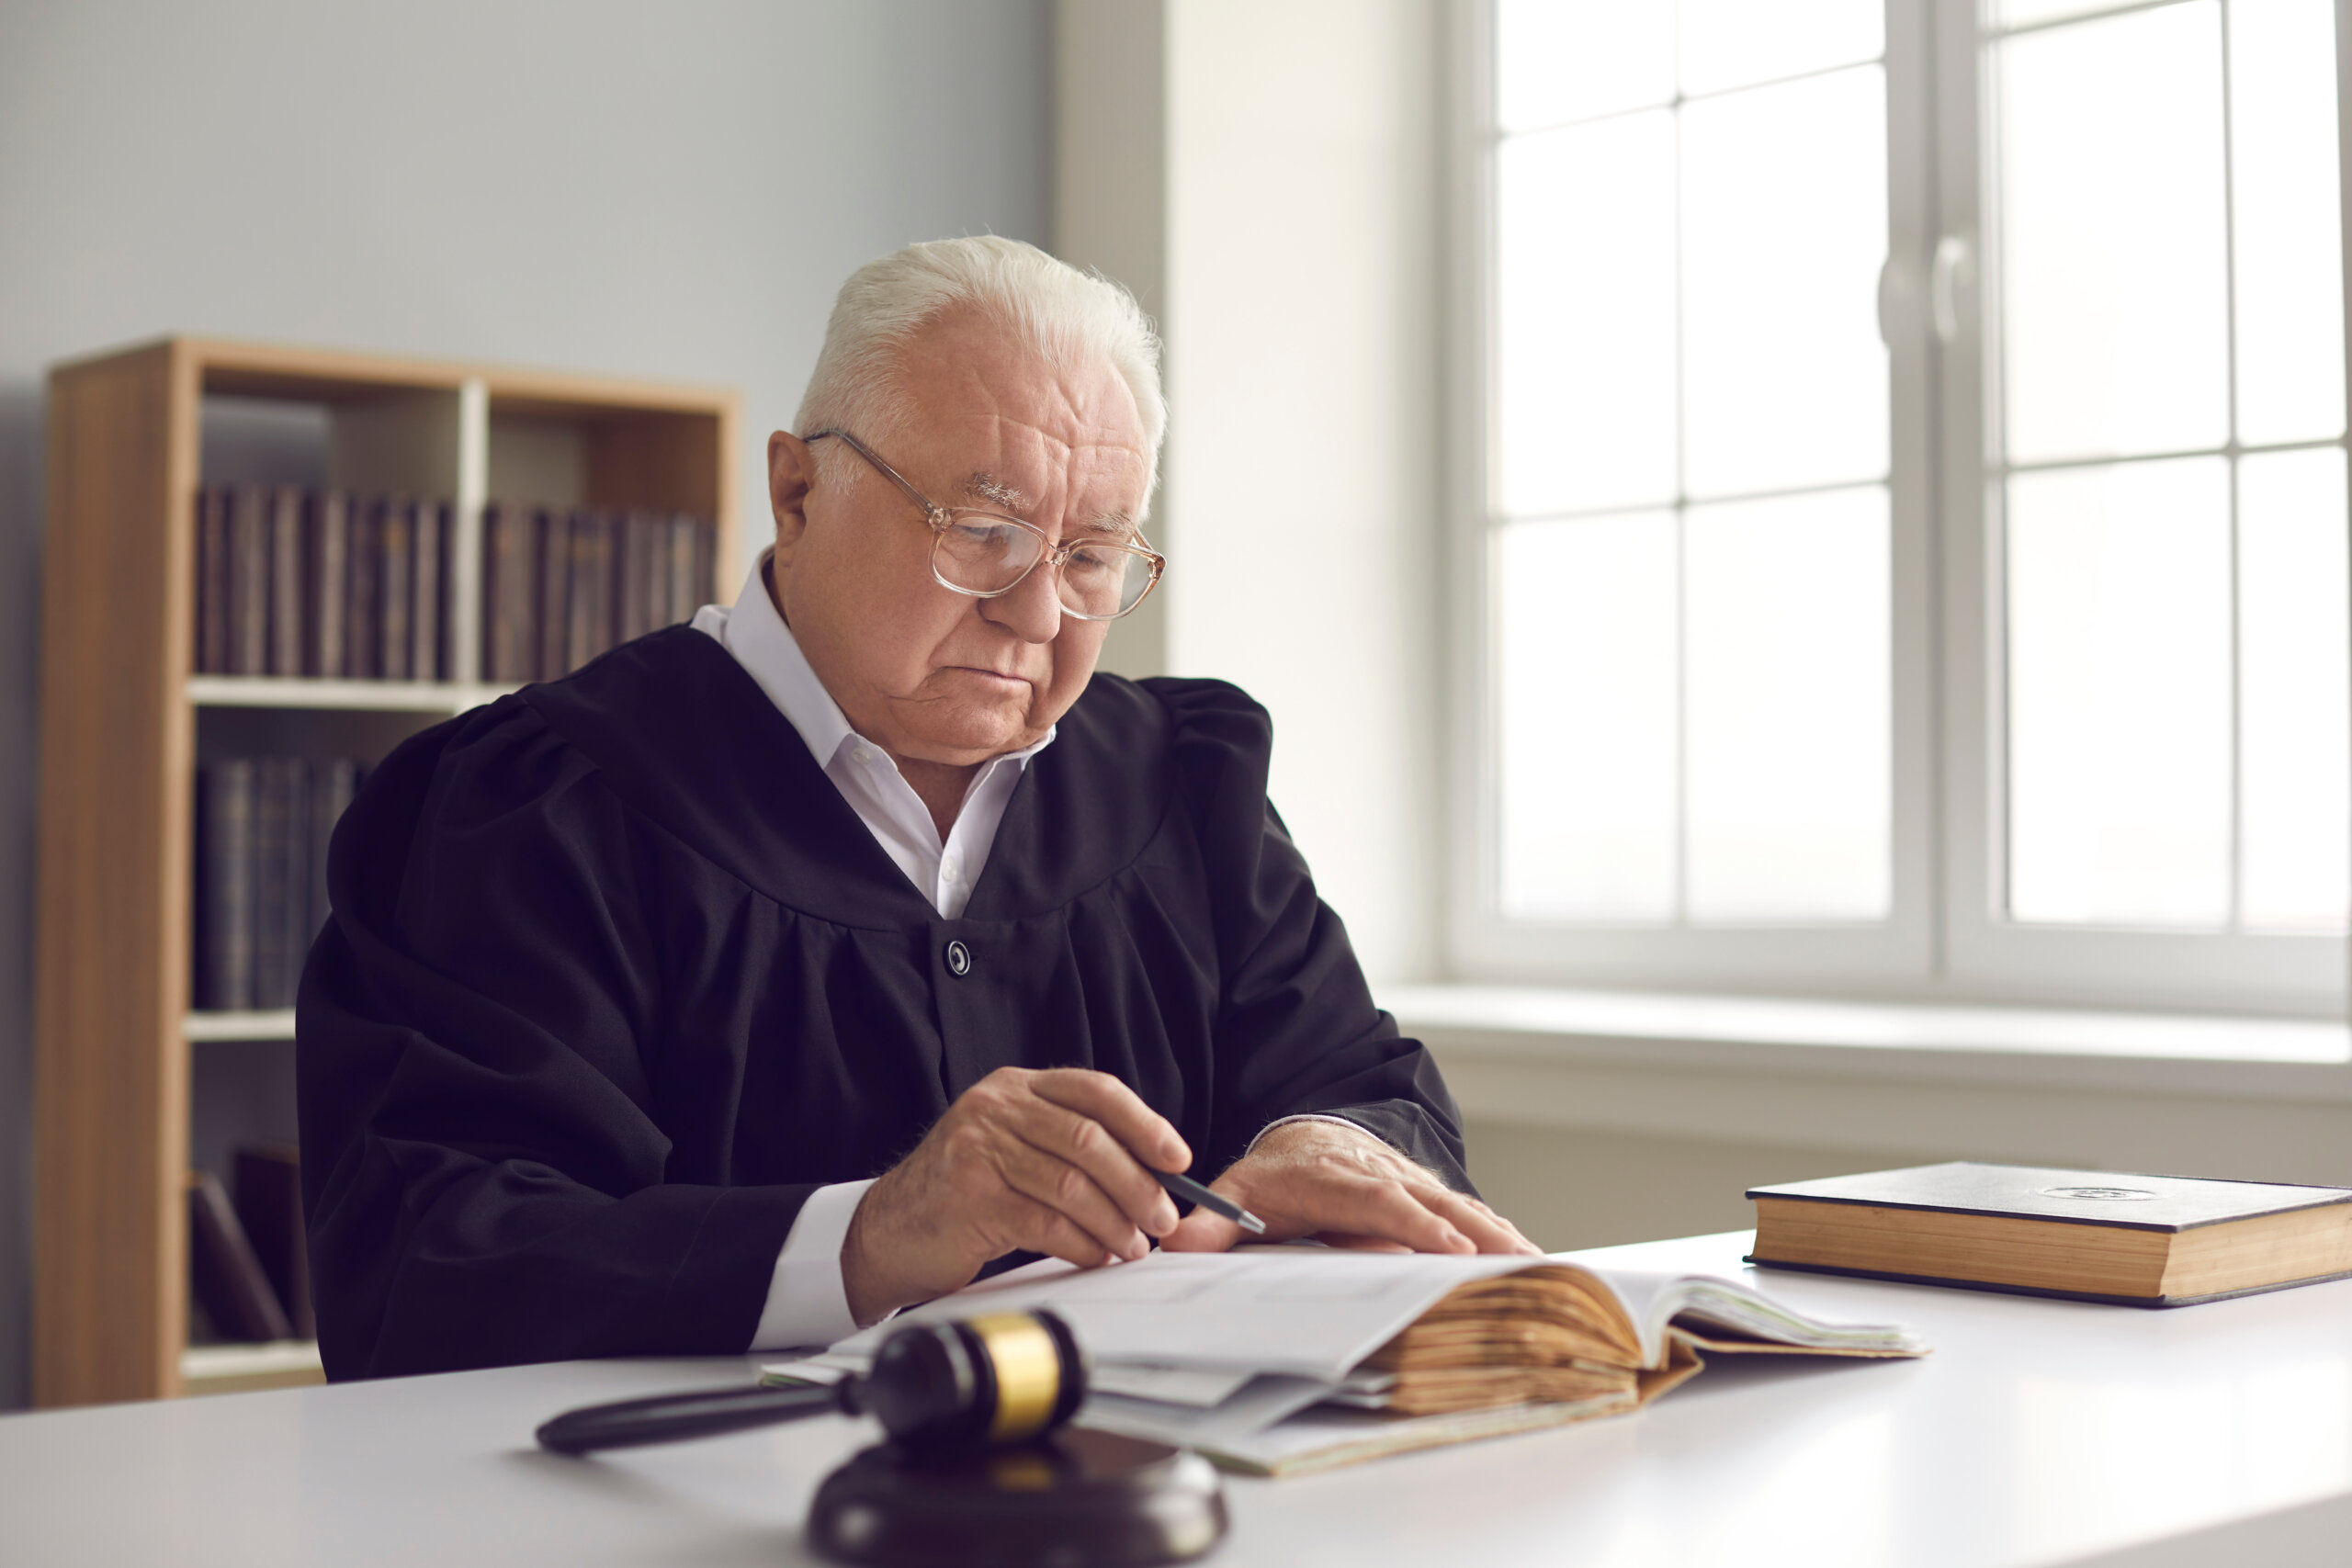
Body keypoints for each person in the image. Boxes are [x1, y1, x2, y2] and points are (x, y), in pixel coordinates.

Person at [298, 236, 1535, 1380]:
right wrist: (871, 1237)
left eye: (1093, 555)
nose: (1041, 617)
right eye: (986, 531)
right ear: (795, 494)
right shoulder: (535, 811)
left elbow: (1371, 1088)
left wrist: (1333, 1142)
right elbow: (428, 1265)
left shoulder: (1185, 790)